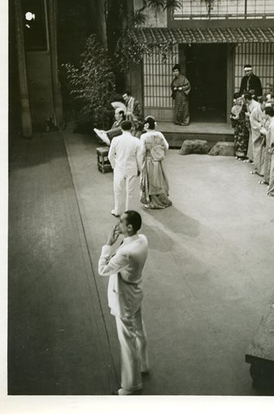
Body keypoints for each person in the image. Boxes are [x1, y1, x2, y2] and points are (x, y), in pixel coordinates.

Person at [98, 211, 149, 395]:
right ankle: (143, 365)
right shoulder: (142, 239)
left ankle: (130, 386)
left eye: (121, 222)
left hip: (123, 299)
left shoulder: (126, 253)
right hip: (135, 294)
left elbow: (103, 269)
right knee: (139, 332)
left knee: (127, 341)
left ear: (129, 227)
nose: (117, 224)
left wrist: (108, 245)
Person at [108, 121, 142, 217]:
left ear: (121, 128)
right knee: (130, 192)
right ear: (131, 128)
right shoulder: (136, 141)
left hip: (119, 168)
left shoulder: (115, 140)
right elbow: (139, 158)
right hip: (132, 168)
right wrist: (140, 169)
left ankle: (117, 210)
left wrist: (114, 165)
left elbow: (110, 155)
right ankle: (128, 213)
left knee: (118, 190)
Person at [139, 116, 172, 209]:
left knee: (150, 180)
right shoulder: (159, 134)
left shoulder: (143, 136)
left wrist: (142, 159)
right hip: (158, 160)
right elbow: (166, 146)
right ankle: (161, 199)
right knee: (159, 179)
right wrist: (160, 152)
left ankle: (152, 201)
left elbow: (142, 150)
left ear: (146, 125)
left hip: (149, 160)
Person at [244, 93, 265, 176]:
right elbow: (254, 119)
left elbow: (260, 119)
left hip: (258, 129)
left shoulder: (257, 107)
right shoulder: (253, 107)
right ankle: (257, 167)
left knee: (259, 150)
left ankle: (260, 169)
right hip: (255, 129)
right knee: (256, 149)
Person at [230, 93, 249, 160]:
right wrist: (234, 118)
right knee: (238, 139)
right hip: (238, 125)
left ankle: (243, 154)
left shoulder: (244, 106)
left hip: (244, 125)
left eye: (241, 99)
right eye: (238, 99)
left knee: (243, 139)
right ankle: (238, 154)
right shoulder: (234, 108)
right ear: (235, 100)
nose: (240, 101)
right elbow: (233, 116)